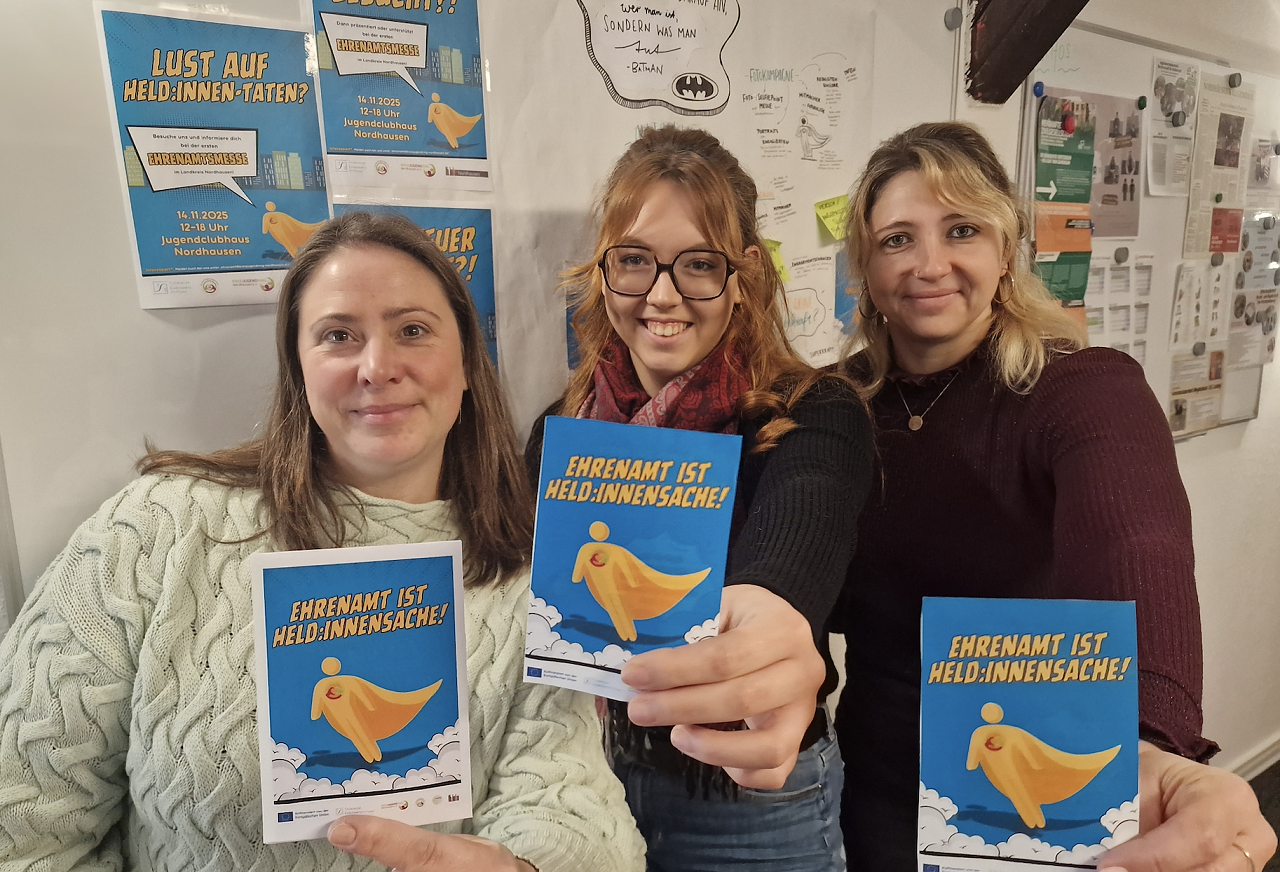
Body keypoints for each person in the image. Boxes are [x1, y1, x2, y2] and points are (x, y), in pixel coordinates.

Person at [0, 212, 645, 872]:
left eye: (412, 330)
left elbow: (571, 811)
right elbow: (25, 818)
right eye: (339, 335)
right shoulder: (158, 530)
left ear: (465, 366)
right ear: (299, 369)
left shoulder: (526, 576)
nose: (378, 367)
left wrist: (522, 867)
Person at [834, 121, 1276, 871]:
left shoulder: (1078, 389)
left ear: (1006, 250)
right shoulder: (836, 407)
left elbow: (1138, 548)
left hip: (1027, 799)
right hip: (864, 789)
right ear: (866, 268)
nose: (930, 264)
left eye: (962, 230)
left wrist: (1148, 740)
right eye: (897, 240)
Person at [524, 125, 874, 871]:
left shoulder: (811, 412)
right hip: (584, 782)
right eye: (634, 261)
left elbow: (804, 520)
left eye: (698, 265)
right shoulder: (559, 432)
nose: (662, 294)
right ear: (604, 271)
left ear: (741, 275)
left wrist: (773, 605)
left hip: (750, 802)